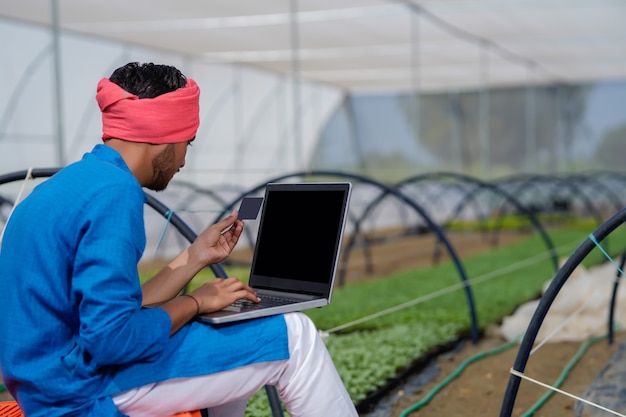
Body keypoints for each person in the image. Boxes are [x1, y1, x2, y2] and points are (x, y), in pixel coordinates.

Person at [0, 62, 358, 417]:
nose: (184, 160)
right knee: (296, 335)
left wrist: (195, 256)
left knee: (234, 334)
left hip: (46, 381)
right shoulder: (115, 193)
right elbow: (112, 339)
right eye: (188, 141)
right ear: (164, 135)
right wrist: (196, 303)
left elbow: (113, 311)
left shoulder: (71, 184)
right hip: (78, 391)